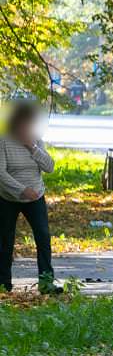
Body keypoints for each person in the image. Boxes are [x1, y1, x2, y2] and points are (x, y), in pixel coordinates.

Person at [0, 101, 60, 294]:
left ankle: (46, 282)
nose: (27, 127)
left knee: (43, 237)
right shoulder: (3, 141)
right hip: (8, 197)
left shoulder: (36, 140)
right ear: (15, 122)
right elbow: (1, 173)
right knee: (4, 240)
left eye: (30, 123)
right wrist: (21, 190)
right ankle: (3, 284)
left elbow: (49, 167)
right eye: (24, 123)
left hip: (36, 197)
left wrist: (32, 147)